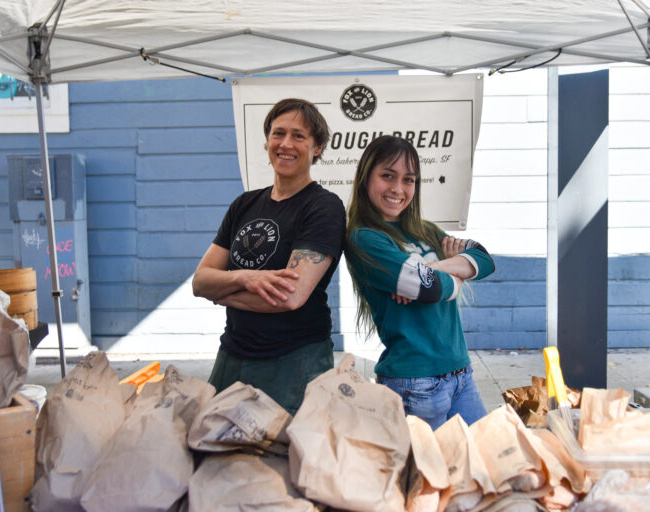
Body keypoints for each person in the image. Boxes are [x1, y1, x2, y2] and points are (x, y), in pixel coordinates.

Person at [192, 98, 345, 414]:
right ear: (267, 142)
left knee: (284, 458)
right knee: (217, 454)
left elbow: (289, 297)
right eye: (278, 133)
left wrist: (220, 293)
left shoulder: (323, 207)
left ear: (317, 148)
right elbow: (200, 281)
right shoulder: (244, 205)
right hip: (232, 355)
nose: (286, 144)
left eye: (298, 136)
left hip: (295, 361)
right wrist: (246, 277)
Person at [344, 135, 495, 430]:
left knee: (479, 466)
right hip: (415, 383)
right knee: (427, 474)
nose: (398, 189)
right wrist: (456, 277)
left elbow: (484, 259)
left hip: (460, 374)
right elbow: (431, 289)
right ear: (365, 179)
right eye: (387, 176)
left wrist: (431, 268)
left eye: (408, 179)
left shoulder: (424, 230)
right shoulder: (364, 238)